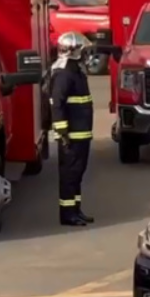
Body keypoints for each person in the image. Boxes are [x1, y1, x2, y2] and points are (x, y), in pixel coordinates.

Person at [48, 31, 96, 227]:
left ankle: (76, 210)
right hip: (72, 136)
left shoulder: (75, 70)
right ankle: (68, 214)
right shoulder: (64, 73)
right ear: (73, 51)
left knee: (77, 173)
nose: (86, 55)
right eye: (83, 51)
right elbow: (56, 104)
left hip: (81, 133)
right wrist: (62, 132)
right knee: (69, 175)